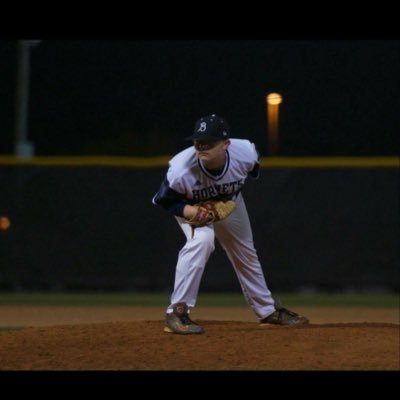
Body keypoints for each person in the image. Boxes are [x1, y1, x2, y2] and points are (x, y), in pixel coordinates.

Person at [152, 114, 309, 334]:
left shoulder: (244, 153)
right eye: (198, 141)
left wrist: (224, 199)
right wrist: (190, 211)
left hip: (229, 202)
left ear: (226, 144)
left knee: (245, 251)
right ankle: (176, 312)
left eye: (209, 141)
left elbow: (248, 171)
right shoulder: (181, 169)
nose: (202, 146)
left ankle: (267, 311)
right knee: (203, 241)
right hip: (190, 205)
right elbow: (162, 200)